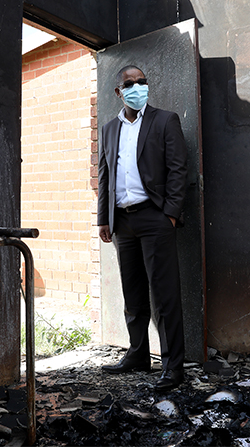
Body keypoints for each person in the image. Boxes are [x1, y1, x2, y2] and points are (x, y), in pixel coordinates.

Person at [97, 64, 188, 391]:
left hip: (155, 218)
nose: (137, 88)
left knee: (165, 295)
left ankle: (173, 367)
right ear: (119, 93)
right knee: (132, 293)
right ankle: (137, 354)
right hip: (122, 222)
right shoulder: (109, 129)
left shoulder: (165, 120)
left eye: (142, 82)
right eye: (129, 84)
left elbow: (178, 168)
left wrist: (171, 213)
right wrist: (103, 219)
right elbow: (104, 175)